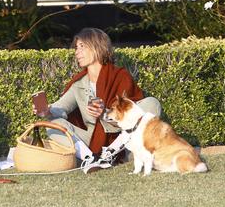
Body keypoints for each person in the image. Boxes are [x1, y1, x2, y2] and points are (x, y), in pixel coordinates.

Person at [35, 28, 162, 173]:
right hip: (91, 139)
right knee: (52, 123)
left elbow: (132, 114)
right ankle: (90, 158)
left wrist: (105, 113)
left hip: (122, 136)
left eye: (82, 46)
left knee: (152, 103)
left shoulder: (120, 76)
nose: (77, 52)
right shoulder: (79, 83)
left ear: (98, 47)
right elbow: (62, 107)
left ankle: (110, 153)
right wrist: (47, 110)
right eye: (76, 47)